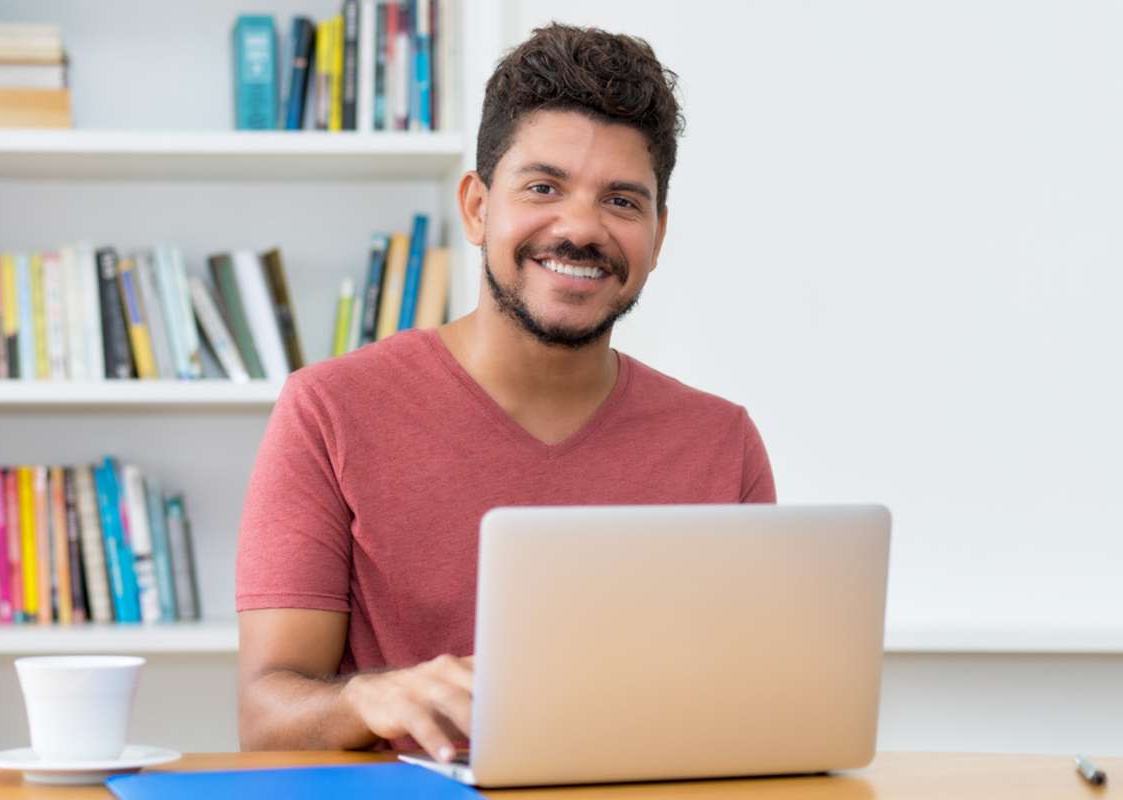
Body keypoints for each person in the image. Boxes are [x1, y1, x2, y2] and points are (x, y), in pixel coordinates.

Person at [236, 22, 775, 763]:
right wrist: (367, 696)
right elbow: (266, 714)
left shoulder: (724, 444)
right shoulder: (327, 409)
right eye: (544, 187)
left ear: (658, 235)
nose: (581, 228)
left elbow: (754, 706)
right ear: (478, 206)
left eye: (622, 201)